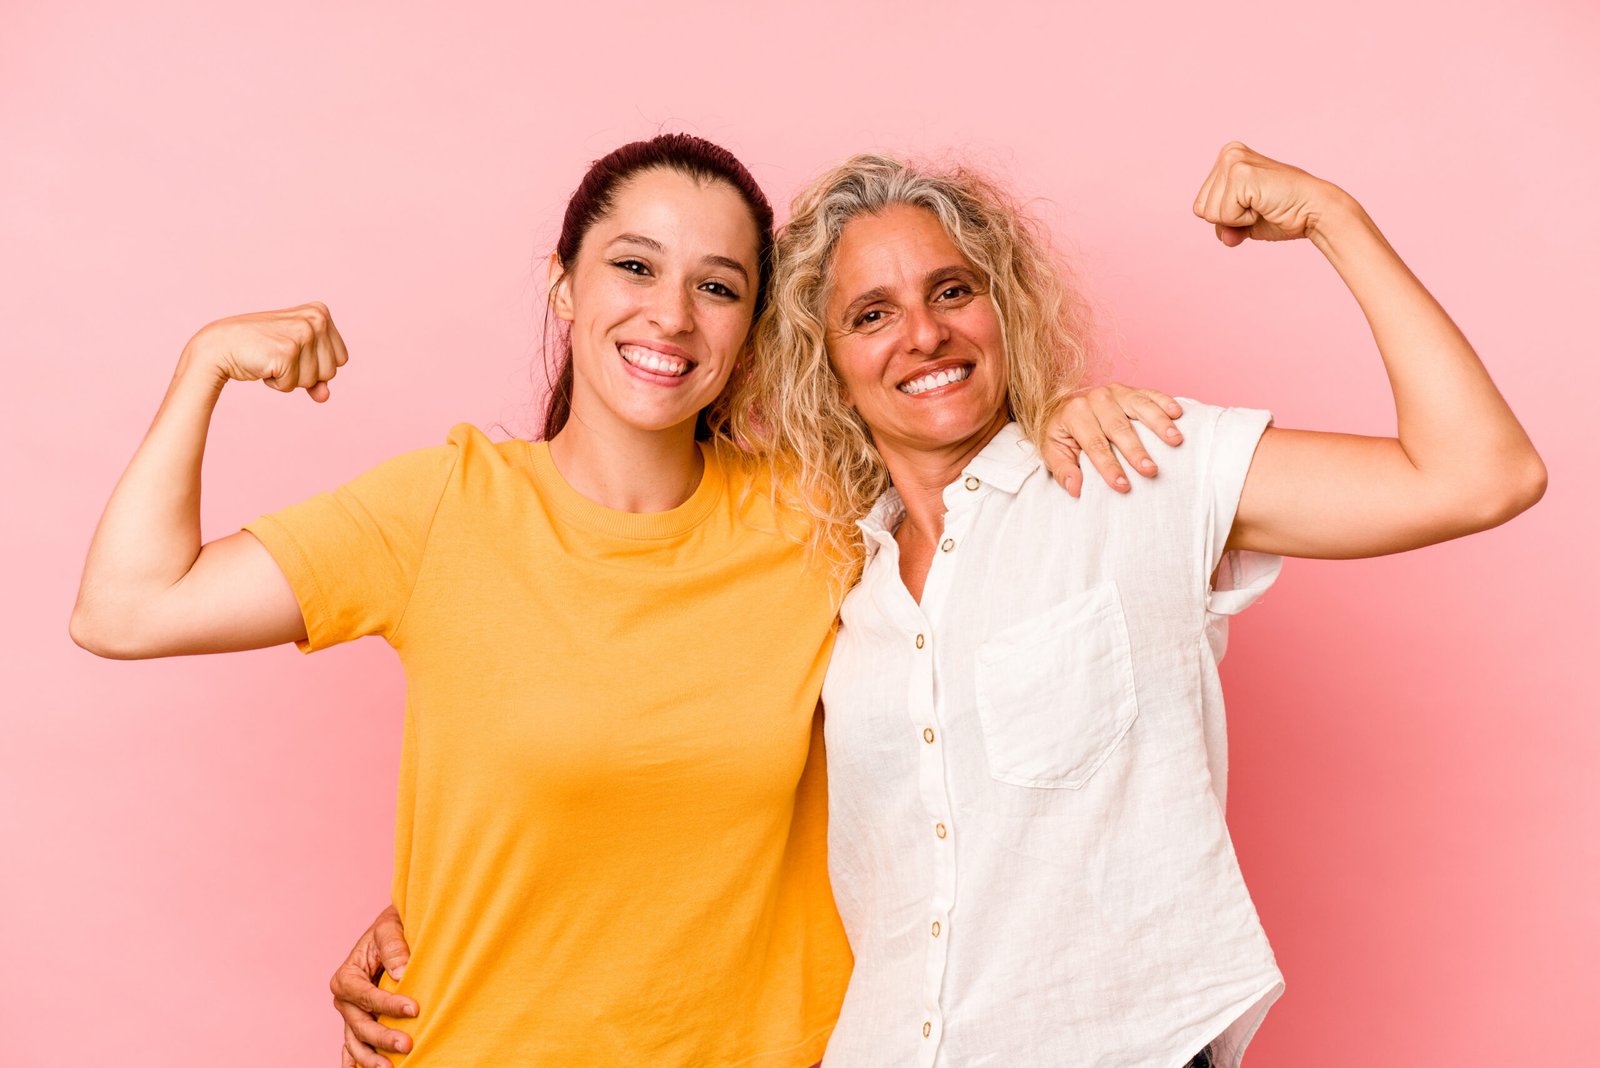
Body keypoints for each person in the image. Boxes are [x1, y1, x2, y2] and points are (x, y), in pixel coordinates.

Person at [68, 134, 1169, 1066]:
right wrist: (204, 365)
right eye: (634, 268)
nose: (672, 316)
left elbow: (961, 435)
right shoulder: (443, 507)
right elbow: (125, 609)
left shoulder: (823, 515)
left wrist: (1071, 413)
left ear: (752, 329)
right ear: (566, 285)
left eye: (718, 286)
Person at [747, 145, 1542, 1064]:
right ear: (825, 361)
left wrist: (1334, 217)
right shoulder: (842, 586)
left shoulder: (1130, 469)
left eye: (954, 290)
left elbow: (1482, 475)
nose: (923, 335)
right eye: (871, 314)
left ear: (1005, 306)